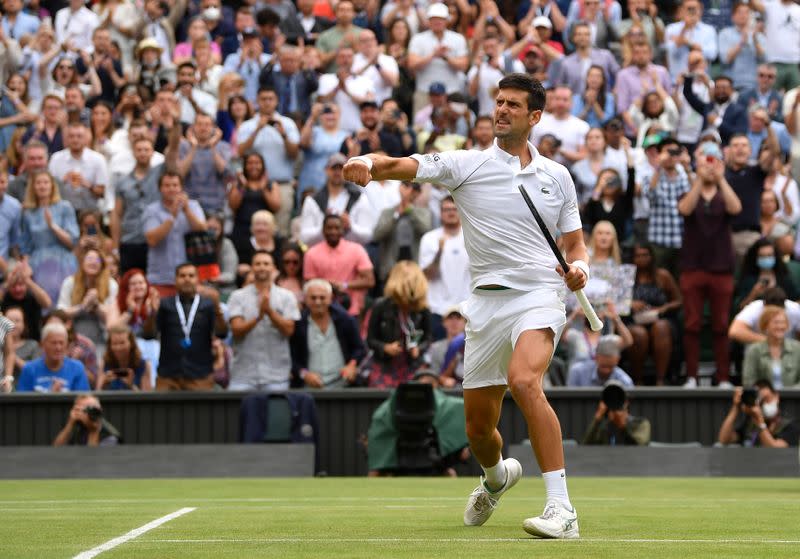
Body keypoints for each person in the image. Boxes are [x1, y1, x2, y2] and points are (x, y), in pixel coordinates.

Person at [343, 73, 588, 538]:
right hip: (485, 306)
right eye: (498, 102)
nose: (501, 110)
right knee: (478, 431)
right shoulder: (464, 164)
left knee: (524, 381)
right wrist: (364, 161)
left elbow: (575, 244)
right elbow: (394, 163)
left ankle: (562, 509)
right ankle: (497, 478)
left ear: (534, 117)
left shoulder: (558, 176)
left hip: (539, 295)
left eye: (513, 105)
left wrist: (581, 271)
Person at [678, 142, 742, 388]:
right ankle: (692, 376)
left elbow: (736, 208)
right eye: (706, 161)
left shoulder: (724, 191)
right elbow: (684, 209)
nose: (710, 166)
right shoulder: (690, 188)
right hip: (693, 267)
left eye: (713, 161)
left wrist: (721, 179)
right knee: (692, 324)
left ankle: (723, 377)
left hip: (721, 267)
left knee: (721, 325)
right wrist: (698, 179)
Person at [142, 263, 228, 390]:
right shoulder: (165, 304)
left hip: (200, 375)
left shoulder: (208, 305)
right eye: (182, 276)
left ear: (197, 280)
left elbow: (222, 333)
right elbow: (148, 335)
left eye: (191, 276)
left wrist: (217, 309)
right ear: (175, 280)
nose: (187, 279)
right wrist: (153, 314)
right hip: (168, 375)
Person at [228, 250, 299, 391]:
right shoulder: (238, 296)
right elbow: (236, 331)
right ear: (252, 267)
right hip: (243, 375)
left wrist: (270, 313)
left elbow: (289, 330)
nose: (262, 267)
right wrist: (258, 317)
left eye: (266, 263)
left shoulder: (287, 296)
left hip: (276, 376)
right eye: (258, 263)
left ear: (273, 268)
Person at [365, 261, 432, 388]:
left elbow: (428, 338)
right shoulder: (381, 305)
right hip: (385, 365)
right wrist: (385, 347)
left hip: (412, 366)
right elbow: (370, 340)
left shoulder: (423, 309)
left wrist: (418, 349)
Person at [290, 278, 365, 388]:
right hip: (309, 387)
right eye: (313, 298)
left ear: (331, 299)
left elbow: (359, 348)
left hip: (342, 384)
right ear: (305, 299)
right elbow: (292, 357)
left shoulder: (345, 320)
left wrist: (351, 365)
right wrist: (304, 374)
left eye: (322, 297)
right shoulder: (299, 323)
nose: (318, 302)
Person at [19, 170, 79, 305]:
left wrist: (53, 226)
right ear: (33, 187)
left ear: (52, 186)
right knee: (43, 301)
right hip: (38, 262)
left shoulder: (64, 207)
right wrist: (25, 265)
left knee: (64, 300)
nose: (42, 186)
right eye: (38, 183)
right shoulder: (28, 212)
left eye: (46, 182)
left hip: (63, 260)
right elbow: (26, 246)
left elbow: (72, 242)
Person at [142, 172, 207, 296]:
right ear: (160, 188)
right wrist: (172, 217)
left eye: (175, 185)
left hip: (191, 278)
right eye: (167, 185)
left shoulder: (193, 206)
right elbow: (151, 239)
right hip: (162, 278)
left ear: (181, 187)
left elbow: (202, 229)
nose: (171, 189)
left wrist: (187, 211)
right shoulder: (152, 210)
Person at [626, 243, 682, 385]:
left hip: (661, 319)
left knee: (661, 328)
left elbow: (679, 301)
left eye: (645, 255)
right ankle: (637, 380)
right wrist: (630, 304)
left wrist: (663, 308)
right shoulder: (627, 277)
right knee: (639, 334)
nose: (642, 259)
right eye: (638, 256)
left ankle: (660, 380)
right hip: (634, 320)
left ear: (651, 256)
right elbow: (616, 302)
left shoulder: (663, 276)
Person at [418, 196, 470, 340]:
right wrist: (439, 253)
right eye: (447, 209)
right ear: (440, 213)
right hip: (438, 310)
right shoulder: (429, 239)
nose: (451, 213)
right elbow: (427, 275)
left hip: (467, 309)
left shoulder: (471, 236)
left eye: (455, 209)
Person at [303, 214, 375, 318]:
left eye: (337, 228)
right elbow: (308, 283)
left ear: (343, 230)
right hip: (322, 311)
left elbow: (369, 280)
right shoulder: (311, 253)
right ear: (323, 230)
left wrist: (344, 286)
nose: (333, 232)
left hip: (351, 310)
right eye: (329, 228)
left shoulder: (357, 250)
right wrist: (327, 285)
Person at [56, 248, 118, 350]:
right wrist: (83, 307)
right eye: (89, 258)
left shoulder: (111, 284)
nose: (93, 262)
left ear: (102, 264)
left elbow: (112, 318)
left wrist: (96, 304)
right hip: (73, 338)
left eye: (97, 260)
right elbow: (60, 314)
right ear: (82, 262)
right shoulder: (69, 282)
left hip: (102, 338)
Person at [373, 181, 432, 282]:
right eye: (406, 185)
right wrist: (396, 216)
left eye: (414, 188)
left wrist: (410, 209)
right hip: (390, 270)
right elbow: (377, 235)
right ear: (400, 187)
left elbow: (426, 230)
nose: (410, 191)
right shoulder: (388, 212)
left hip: (415, 269)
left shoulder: (423, 212)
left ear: (419, 192)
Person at [718, 381, 799, 447]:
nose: (764, 405)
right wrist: (735, 407)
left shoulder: (790, 425)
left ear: (776, 397)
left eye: (767, 399)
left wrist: (759, 421)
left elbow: (775, 450)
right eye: (761, 402)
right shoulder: (750, 424)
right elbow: (724, 440)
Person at [16, 321, 90, 392]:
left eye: (61, 343)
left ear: (67, 344)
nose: (58, 348)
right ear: (43, 344)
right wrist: (50, 395)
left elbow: (84, 400)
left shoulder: (77, 368)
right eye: (53, 343)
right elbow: (22, 403)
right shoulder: (29, 369)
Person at [741, 305, 800, 388]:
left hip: (792, 399)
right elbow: (748, 381)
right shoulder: (754, 350)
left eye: (783, 322)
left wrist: (787, 394)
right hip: (763, 399)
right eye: (776, 322)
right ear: (765, 325)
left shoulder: (797, 348)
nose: (780, 326)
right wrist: (768, 393)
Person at [735, 238, 798, 311]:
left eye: (769, 255)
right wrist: (753, 294)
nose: (766, 259)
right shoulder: (748, 280)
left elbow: (796, 300)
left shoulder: (784, 278)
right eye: (762, 256)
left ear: (775, 256)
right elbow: (740, 308)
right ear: (755, 258)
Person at [582, 382, 651, 445]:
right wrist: (597, 419)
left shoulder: (640, 423)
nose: (614, 401)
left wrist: (623, 427)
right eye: (610, 398)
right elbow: (586, 447)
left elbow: (641, 448)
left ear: (626, 401)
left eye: (618, 398)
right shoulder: (603, 427)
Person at [97, 323, 153, 391]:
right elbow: (97, 393)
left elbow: (147, 398)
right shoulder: (104, 364)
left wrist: (131, 385)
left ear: (131, 343)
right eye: (114, 344)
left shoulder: (143, 365)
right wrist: (105, 383)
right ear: (109, 346)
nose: (118, 347)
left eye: (122, 343)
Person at [52, 394, 121, 446]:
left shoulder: (110, 436)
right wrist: (70, 423)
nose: (90, 413)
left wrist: (93, 431)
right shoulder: (77, 427)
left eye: (93, 409)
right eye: (78, 410)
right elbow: (56, 449)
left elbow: (93, 461)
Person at [567, 335, 635, 388]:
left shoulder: (625, 381)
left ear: (617, 360)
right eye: (603, 366)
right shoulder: (577, 372)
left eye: (610, 367)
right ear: (596, 358)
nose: (606, 370)